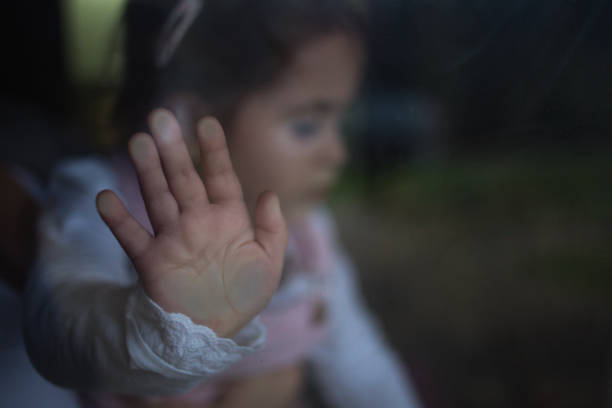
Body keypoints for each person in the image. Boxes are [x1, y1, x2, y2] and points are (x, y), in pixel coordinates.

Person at [23, 0, 422, 407]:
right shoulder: (102, 196)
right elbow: (53, 329)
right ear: (191, 119)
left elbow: (361, 365)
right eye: (307, 124)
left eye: (342, 121)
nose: (338, 153)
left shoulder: (307, 231)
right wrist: (168, 328)